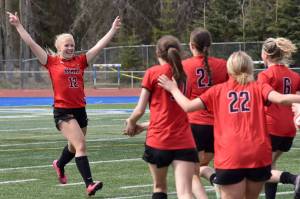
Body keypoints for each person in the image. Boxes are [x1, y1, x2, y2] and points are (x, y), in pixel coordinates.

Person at [7, 11, 121, 196]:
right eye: (67, 45)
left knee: (73, 146)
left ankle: (59, 164)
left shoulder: (80, 61)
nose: (70, 48)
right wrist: (18, 25)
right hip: (63, 112)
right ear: (58, 48)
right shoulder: (51, 62)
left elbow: (99, 46)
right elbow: (31, 43)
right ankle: (89, 184)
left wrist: (112, 30)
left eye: (72, 45)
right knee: (81, 145)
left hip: (80, 110)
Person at [158, 51, 300, 199]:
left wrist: (173, 89)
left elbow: (187, 106)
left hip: (230, 156)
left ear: (229, 69)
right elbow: (282, 99)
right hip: (258, 153)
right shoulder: (259, 87)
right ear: (250, 67)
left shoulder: (217, 90)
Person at [124, 35, 199, 199]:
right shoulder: (187, 76)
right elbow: (176, 112)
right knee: (185, 192)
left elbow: (140, 110)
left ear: (157, 53)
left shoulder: (153, 73)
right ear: (178, 51)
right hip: (184, 141)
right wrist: (143, 126)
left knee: (159, 187)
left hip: (159, 140)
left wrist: (131, 123)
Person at [183, 28, 228, 198]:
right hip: (217, 126)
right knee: (201, 166)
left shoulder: (185, 65)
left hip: (195, 124)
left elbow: (183, 97)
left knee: (190, 172)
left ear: (192, 45)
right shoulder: (222, 65)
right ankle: (214, 178)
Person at [257, 37, 300, 199]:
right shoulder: (294, 76)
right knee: (270, 165)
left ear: (266, 55)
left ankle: (294, 178)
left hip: (271, 126)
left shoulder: (265, 75)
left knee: (260, 170)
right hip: (288, 129)